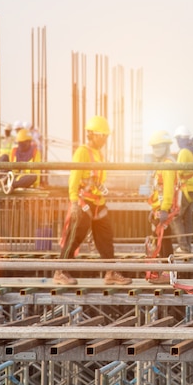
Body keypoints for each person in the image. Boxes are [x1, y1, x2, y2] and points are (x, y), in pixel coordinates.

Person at [54, 115, 131, 286]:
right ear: (93, 135)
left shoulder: (99, 154)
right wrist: (74, 201)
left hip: (97, 202)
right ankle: (60, 271)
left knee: (105, 237)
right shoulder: (83, 152)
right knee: (75, 236)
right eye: (102, 136)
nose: (104, 139)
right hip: (84, 201)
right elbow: (74, 177)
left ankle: (110, 272)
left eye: (105, 136)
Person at [146, 130, 180, 284]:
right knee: (161, 241)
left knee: (164, 242)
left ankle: (167, 273)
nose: (156, 149)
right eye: (154, 147)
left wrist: (164, 210)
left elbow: (167, 190)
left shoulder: (167, 165)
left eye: (159, 146)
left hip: (163, 211)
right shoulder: (160, 165)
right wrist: (153, 210)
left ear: (166, 147)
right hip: (158, 210)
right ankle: (166, 272)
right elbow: (157, 190)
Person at [170, 125, 193, 254]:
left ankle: (183, 246)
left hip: (185, 190)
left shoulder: (183, 152)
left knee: (175, 217)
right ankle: (188, 247)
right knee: (187, 219)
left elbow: (179, 171)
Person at [0, 129, 41, 194]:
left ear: (28, 142)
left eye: (23, 143)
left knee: (33, 176)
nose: (21, 145)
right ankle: (4, 180)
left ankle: (11, 185)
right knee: (4, 157)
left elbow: (36, 176)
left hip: (26, 179)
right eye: (19, 143)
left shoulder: (35, 153)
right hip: (13, 177)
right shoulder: (14, 151)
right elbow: (12, 169)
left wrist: (33, 184)